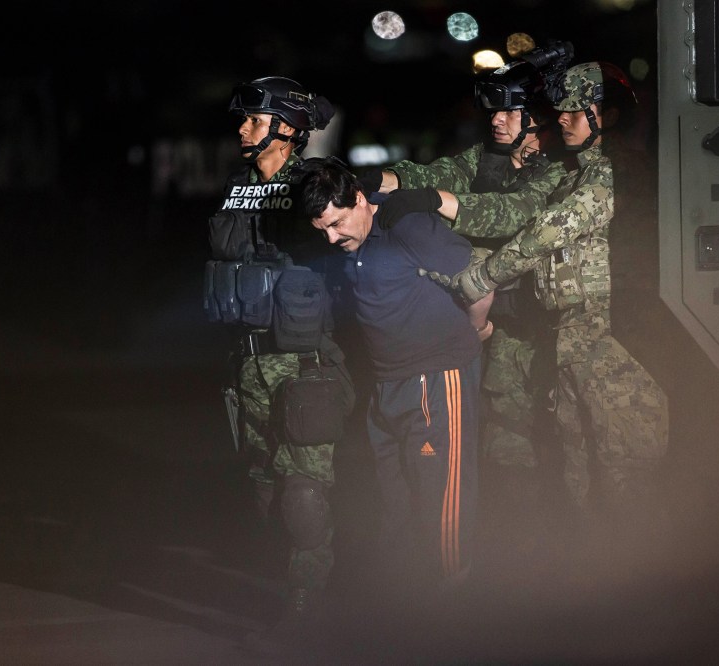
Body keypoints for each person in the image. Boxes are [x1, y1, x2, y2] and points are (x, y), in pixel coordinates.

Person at [423, 62, 669, 528]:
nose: (563, 118)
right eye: (562, 109)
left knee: (622, 470)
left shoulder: (616, 171)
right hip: (572, 339)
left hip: (612, 338)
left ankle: (641, 580)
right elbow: (514, 211)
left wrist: (479, 280)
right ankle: (590, 576)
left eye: (578, 110)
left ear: (607, 116)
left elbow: (546, 231)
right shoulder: (569, 173)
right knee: (578, 470)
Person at [357, 39, 574, 532]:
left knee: (555, 441)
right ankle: (508, 550)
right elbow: (432, 173)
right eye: (492, 110)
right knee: (497, 448)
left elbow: (511, 215)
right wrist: (377, 179)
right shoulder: (487, 157)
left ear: (537, 117)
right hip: (487, 328)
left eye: (508, 111)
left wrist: (435, 200)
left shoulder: (557, 167)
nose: (496, 120)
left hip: (544, 331)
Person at [203, 76, 353, 649]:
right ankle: (281, 598)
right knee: (266, 491)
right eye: (243, 119)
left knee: (305, 495)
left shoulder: (314, 183)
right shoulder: (236, 185)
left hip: (304, 365)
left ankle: (307, 612)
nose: (243, 129)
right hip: (249, 366)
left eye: (256, 119)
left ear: (287, 128)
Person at [296, 156, 484, 601]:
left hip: (435, 378)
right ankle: (404, 609)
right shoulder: (347, 241)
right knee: (394, 498)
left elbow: (480, 278)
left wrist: (476, 331)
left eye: (338, 223)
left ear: (361, 199)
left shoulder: (406, 225)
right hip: (386, 386)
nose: (332, 237)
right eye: (321, 229)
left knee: (444, 500)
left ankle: (455, 609)